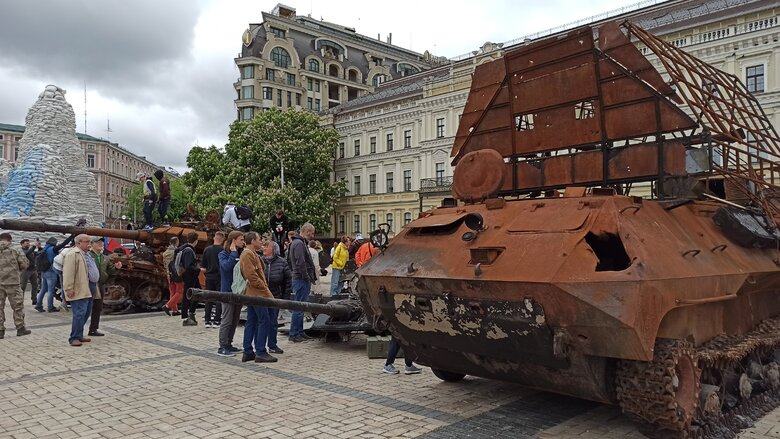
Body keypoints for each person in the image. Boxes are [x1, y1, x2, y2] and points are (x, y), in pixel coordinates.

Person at [239, 232, 276, 363]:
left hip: (254, 293)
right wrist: (264, 288)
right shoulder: (247, 254)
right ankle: (260, 351)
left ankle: (248, 351)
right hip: (257, 294)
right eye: (259, 239)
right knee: (263, 320)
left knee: (252, 321)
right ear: (253, 240)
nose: (261, 242)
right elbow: (252, 276)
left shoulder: (252, 253)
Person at [63, 235, 97, 347]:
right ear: (78, 243)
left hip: (89, 287)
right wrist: (69, 289)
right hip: (79, 289)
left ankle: (79, 334)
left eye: (90, 241)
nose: (89, 244)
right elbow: (68, 273)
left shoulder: (86, 254)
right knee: (79, 313)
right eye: (86, 241)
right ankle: (74, 338)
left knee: (86, 312)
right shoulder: (73, 255)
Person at [262, 235, 291, 355]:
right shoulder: (260, 260)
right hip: (262, 296)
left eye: (266, 246)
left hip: (275, 296)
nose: (264, 248)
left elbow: (288, 282)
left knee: (273, 322)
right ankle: (260, 345)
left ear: (273, 249)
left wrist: (285, 298)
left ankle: (272, 344)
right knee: (263, 322)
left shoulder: (282, 262)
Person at [217, 231, 244, 356]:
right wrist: (233, 253)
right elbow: (226, 267)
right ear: (233, 240)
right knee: (227, 319)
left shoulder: (240, 253)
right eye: (240, 239)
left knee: (235, 319)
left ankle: (229, 343)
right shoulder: (223, 254)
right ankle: (222, 346)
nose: (242, 241)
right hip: (227, 291)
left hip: (238, 291)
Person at [288, 223, 317, 343]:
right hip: (301, 279)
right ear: (307, 231)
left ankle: (299, 332)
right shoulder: (299, 243)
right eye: (312, 233)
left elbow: (289, 261)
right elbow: (300, 262)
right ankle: (294, 333)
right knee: (299, 307)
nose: (312, 235)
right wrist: (306, 276)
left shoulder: (296, 242)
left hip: (298, 277)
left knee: (301, 306)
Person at [0, 233, 32, 339]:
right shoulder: (16, 250)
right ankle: (20, 328)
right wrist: (16, 271)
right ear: (10, 240)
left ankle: (0, 330)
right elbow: (24, 264)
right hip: (13, 282)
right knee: (17, 307)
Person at [88, 237, 122, 337]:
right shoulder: (89, 256)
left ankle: (93, 329)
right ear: (92, 244)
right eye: (98, 242)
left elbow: (110, 271)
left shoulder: (105, 258)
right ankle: (79, 330)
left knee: (98, 308)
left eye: (101, 242)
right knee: (86, 308)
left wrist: (116, 268)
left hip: (100, 285)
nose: (101, 244)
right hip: (90, 284)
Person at [36, 234, 75, 312]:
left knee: (43, 289)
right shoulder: (53, 249)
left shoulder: (44, 249)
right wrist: (71, 237)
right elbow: (63, 244)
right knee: (51, 290)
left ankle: (38, 305)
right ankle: (50, 307)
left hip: (44, 272)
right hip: (51, 272)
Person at [178, 231, 204, 326]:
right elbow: (189, 265)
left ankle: (190, 313)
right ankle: (188, 314)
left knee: (194, 293)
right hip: (190, 275)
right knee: (190, 294)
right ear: (196, 241)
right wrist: (199, 269)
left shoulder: (184, 248)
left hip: (189, 275)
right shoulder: (189, 250)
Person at [201, 231, 224, 328]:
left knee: (208, 298)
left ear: (214, 238)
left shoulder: (207, 250)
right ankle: (217, 320)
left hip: (209, 276)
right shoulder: (223, 250)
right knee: (219, 298)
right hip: (220, 276)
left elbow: (203, 267)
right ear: (222, 239)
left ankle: (207, 320)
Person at [162, 237, 182, 316]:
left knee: (172, 292)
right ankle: (167, 306)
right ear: (176, 242)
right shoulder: (176, 252)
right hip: (176, 273)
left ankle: (175, 310)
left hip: (169, 274)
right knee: (180, 292)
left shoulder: (165, 252)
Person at [19, 239, 40, 305]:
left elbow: (38, 253)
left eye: (28, 243)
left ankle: (34, 299)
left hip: (33, 270)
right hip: (25, 270)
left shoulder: (31, 251)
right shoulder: (21, 251)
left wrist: (39, 247)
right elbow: (27, 254)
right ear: (22, 244)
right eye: (26, 243)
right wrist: (34, 246)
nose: (28, 244)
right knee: (23, 286)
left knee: (35, 285)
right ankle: (20, 301)